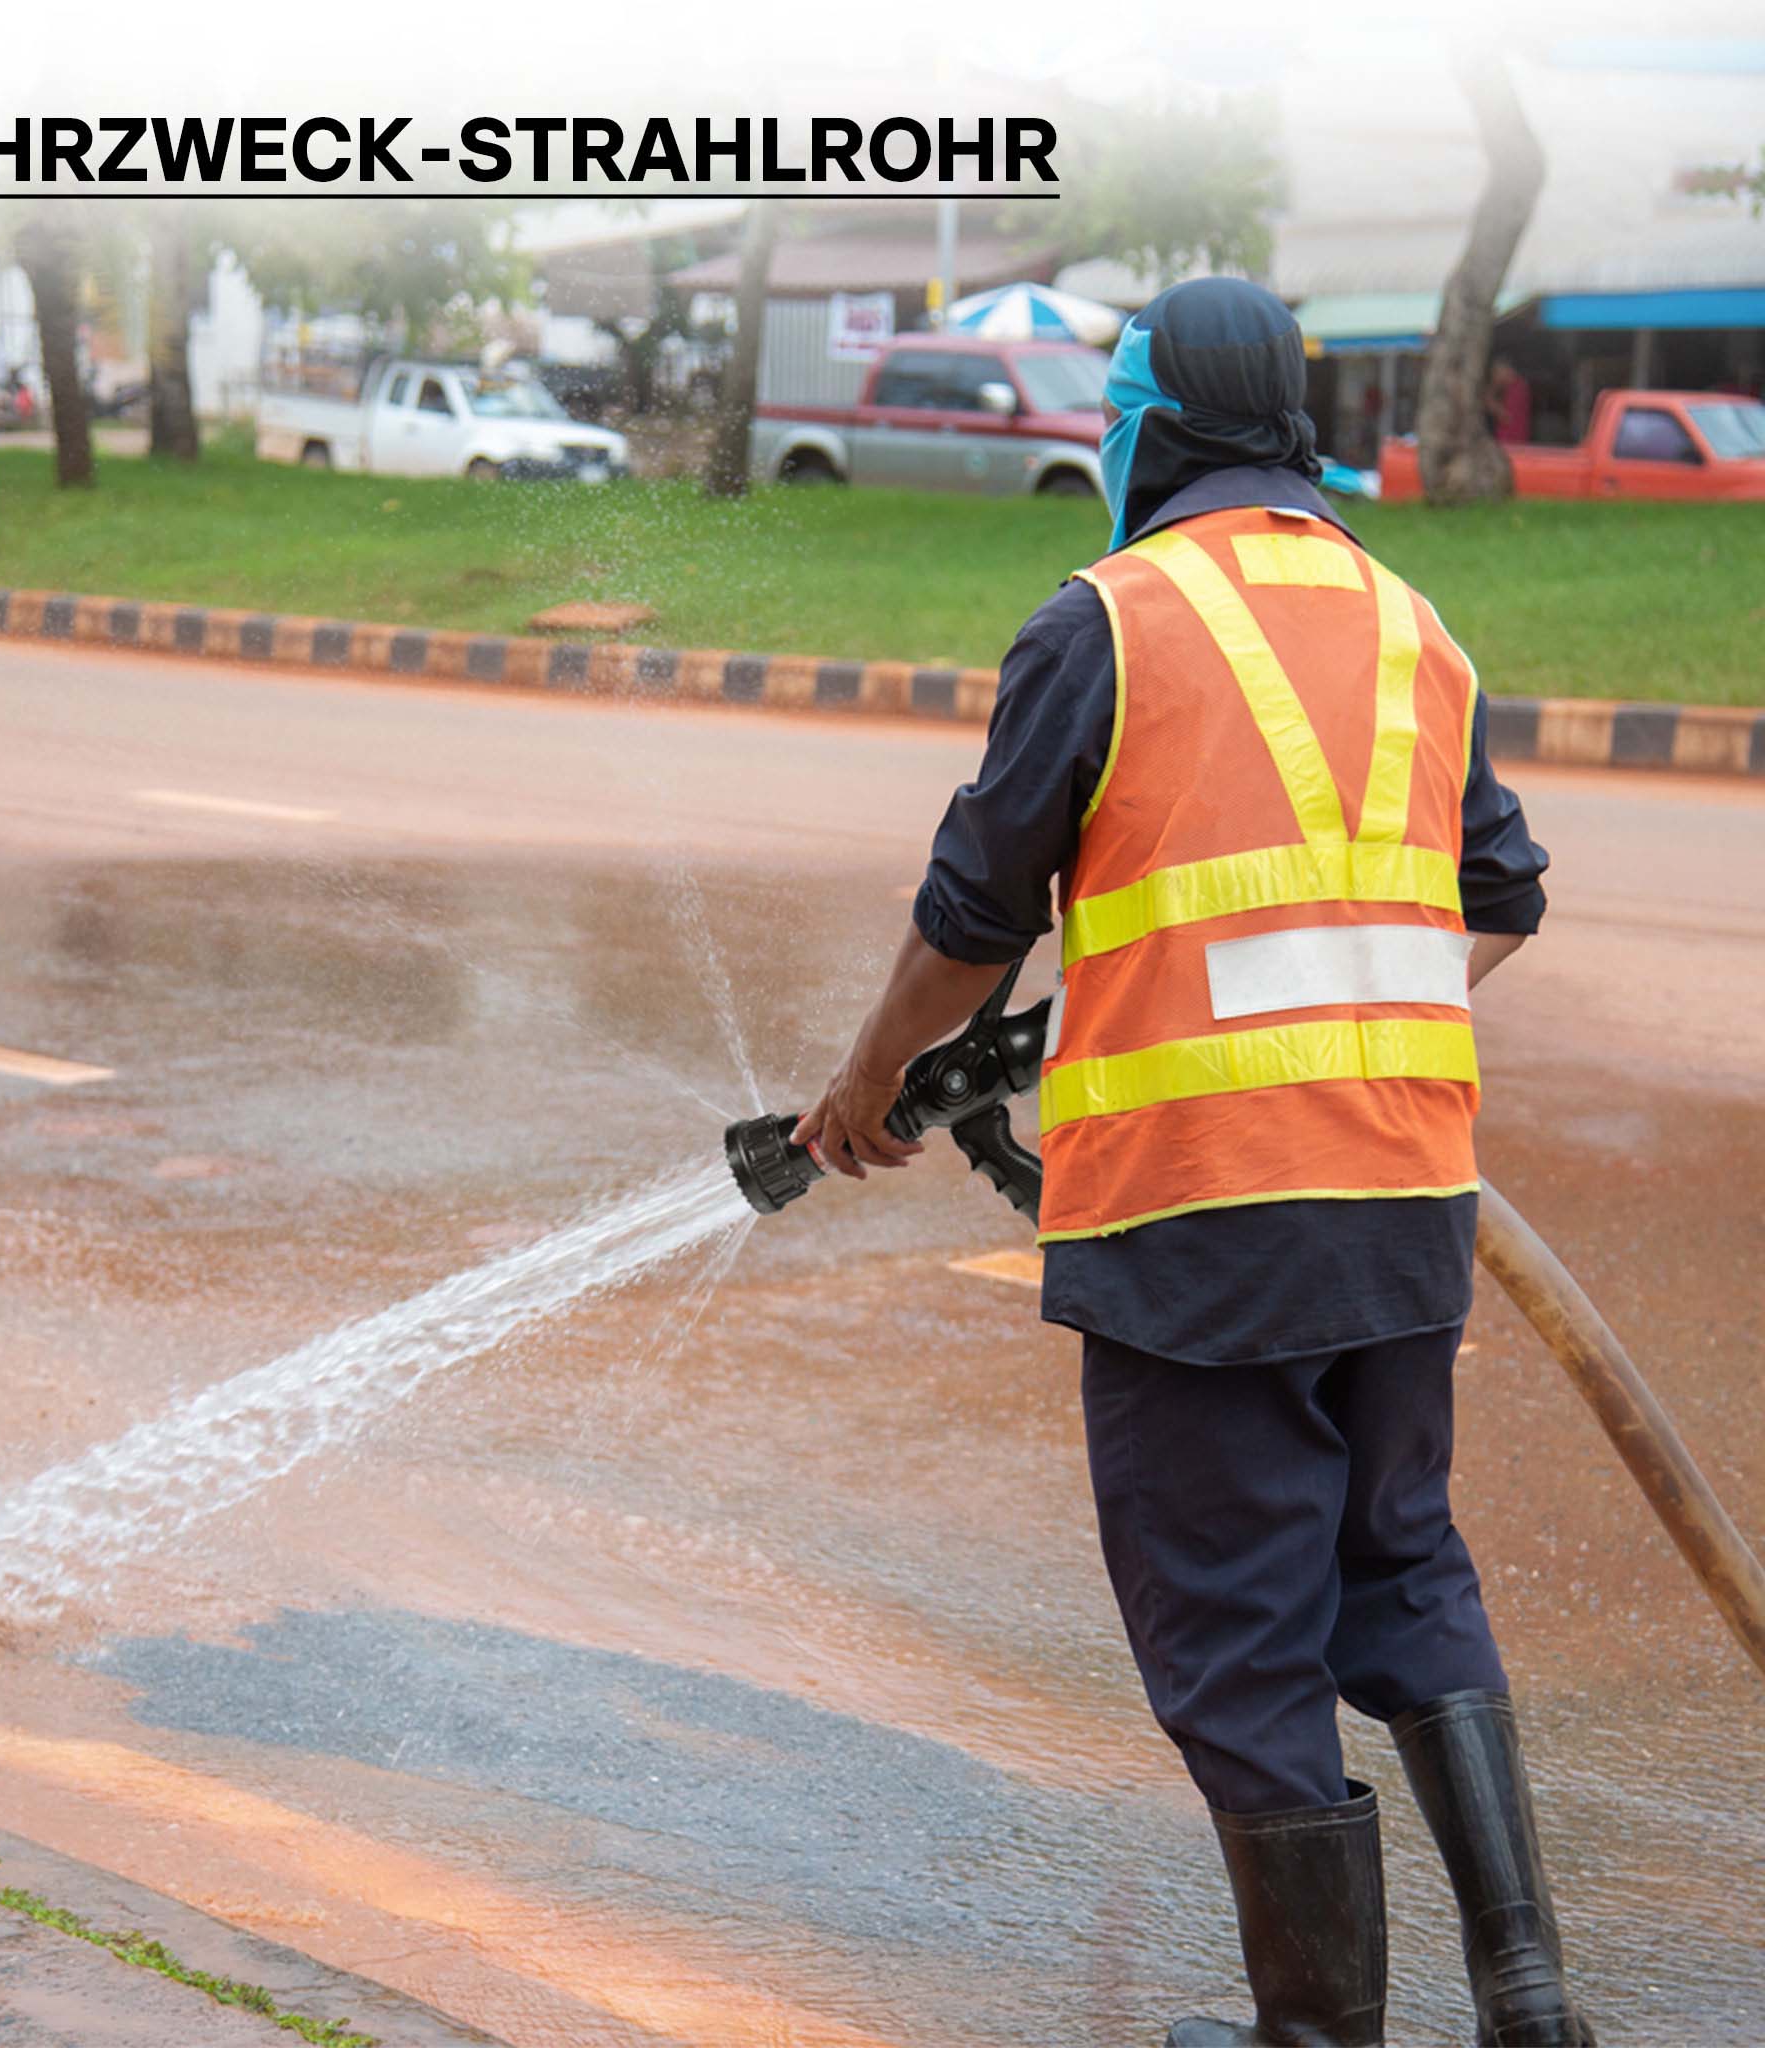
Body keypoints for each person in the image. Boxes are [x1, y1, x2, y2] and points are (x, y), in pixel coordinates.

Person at [794, 278, 1595, 2048]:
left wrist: (865, 1086)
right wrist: (1349, 1022)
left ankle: (1324, 2038)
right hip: (1402, 1198)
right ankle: (1530, 2000)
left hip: (1204, 1218)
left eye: (1110, 415)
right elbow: (1502, 897)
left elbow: (968, 920)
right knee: (1402, 1567)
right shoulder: (1411, 619)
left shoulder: (1108, 620)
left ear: (1147, 429)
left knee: (1235, 1629)